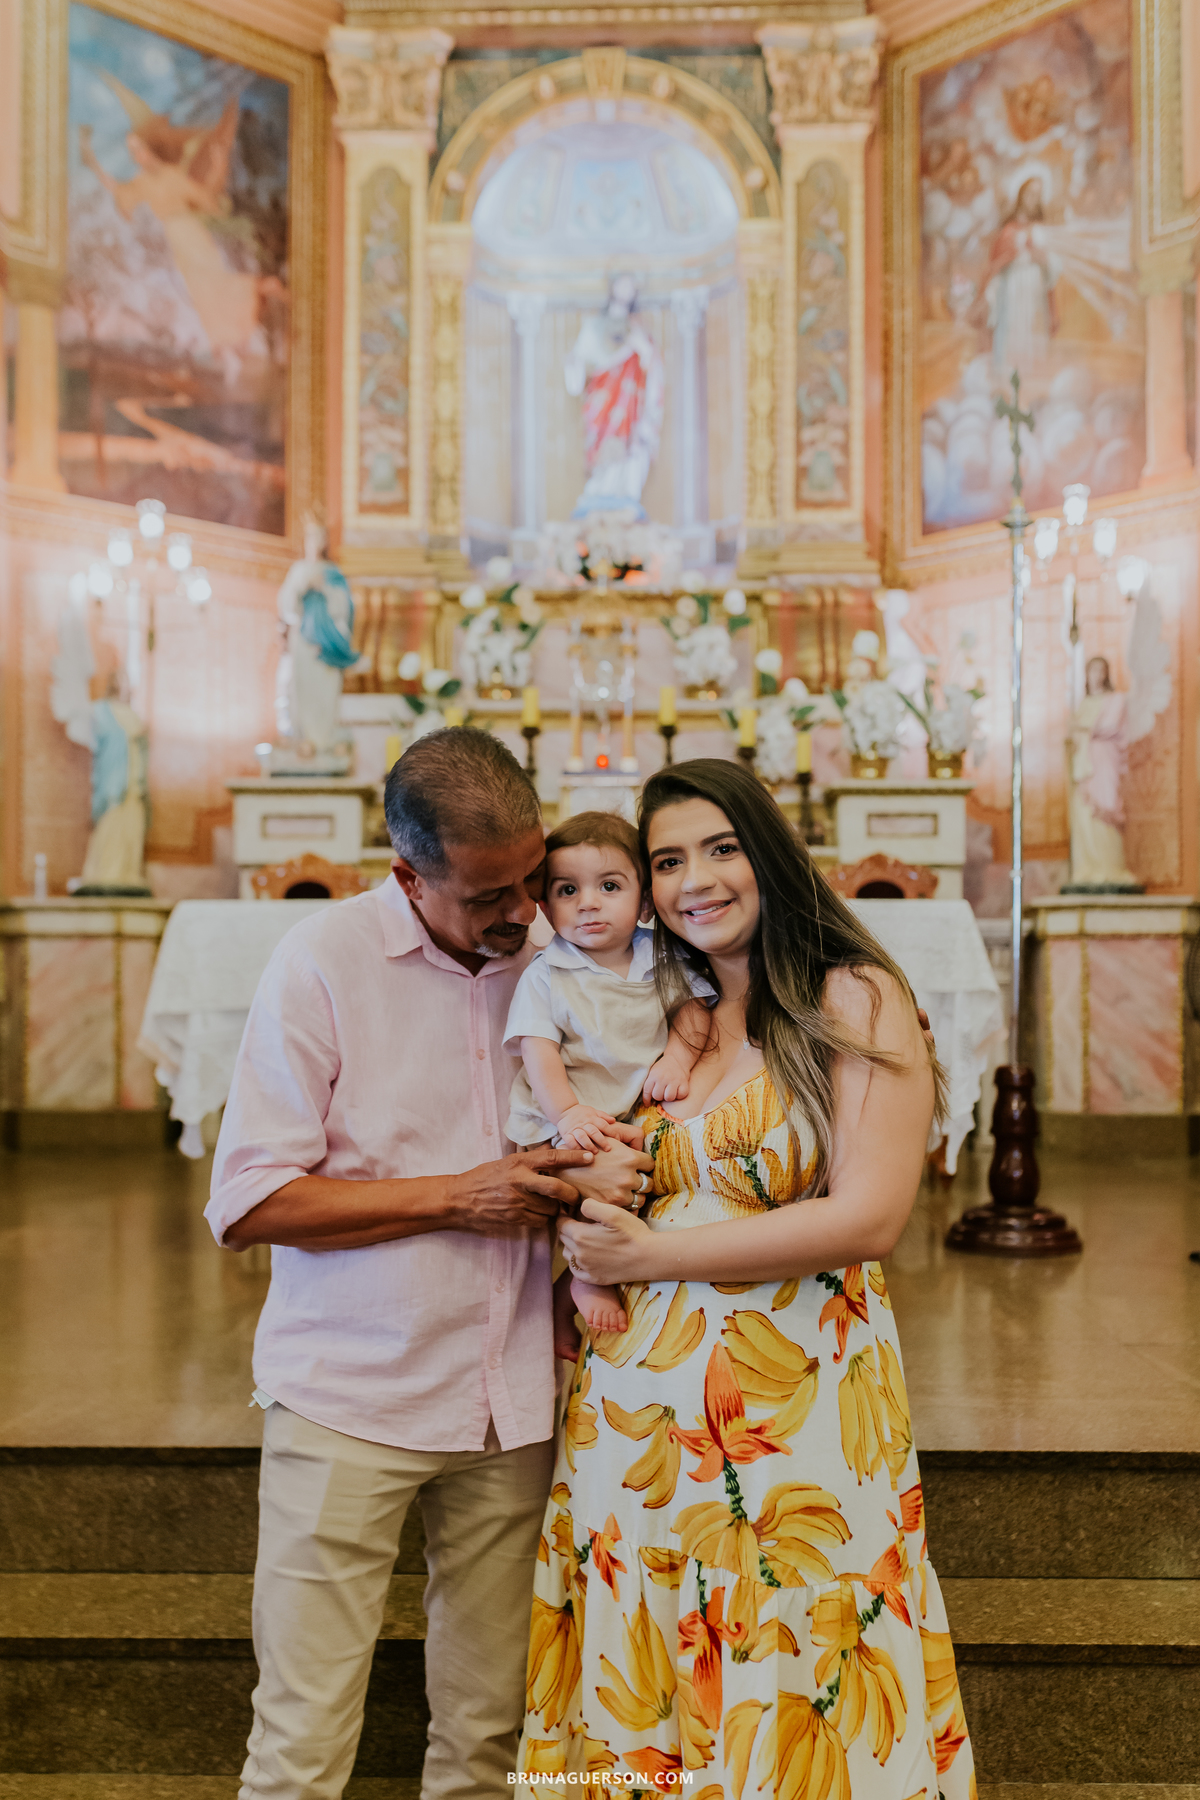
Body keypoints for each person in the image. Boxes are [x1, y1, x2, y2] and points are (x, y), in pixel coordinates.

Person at [205, 728, 652, 1800]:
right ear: (408, 875)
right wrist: (463, 1195)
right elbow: (249, 1197)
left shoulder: (564, 963)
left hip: (515, 1400)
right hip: (350, 1396)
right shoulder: (322, 962)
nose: (523, 914)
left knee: (487, 1740)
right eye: (490, 894)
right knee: (303, 1743)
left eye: (533, 883)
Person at [520, 759, 975, 1799]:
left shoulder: (851, 994)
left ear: (768, 852)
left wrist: (652, 1256)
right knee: (642, 1664)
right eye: (668, 860)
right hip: (630, 1433)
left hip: (790, 1425)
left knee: (793, 1655)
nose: (695, 881)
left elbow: (870, 1216)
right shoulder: (654, 1010)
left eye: (721, 849)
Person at [504, 812, 711, 1338]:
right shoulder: (547, 973)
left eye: (609, 886)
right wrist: (566, 1112)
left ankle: (610, 1269)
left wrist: (678, 1059)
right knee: (582, 1187)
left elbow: (693, 1009)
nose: (588, 903)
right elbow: (538, 1048)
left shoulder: (661, 955)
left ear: (643, 901)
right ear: (544, 907)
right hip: (572, 1105)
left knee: (638, 1182)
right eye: (567, 890)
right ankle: (585, 1278)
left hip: (636, 1103)